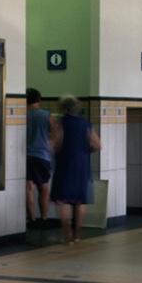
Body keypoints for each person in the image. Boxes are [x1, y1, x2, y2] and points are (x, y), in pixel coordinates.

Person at [49, 95, 102, 244]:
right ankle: (77, 235)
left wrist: (53, 150)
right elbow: (98, 145)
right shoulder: (85, 123)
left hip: (65, 163)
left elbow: (54, 144)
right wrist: (85, 151)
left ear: (64, 109)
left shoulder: (63, 122)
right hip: (82, 164)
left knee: (61, 200)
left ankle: (66, 234)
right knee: (79, 200)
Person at [25, 87, 53, 229]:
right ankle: (43, 218)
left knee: (28, 188)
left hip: (25, 156)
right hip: (42, 156)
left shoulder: (22, 115)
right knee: (43, 188)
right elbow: (55, 133)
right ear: (39, 99)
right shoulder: (46, 115)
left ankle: (32, 219)